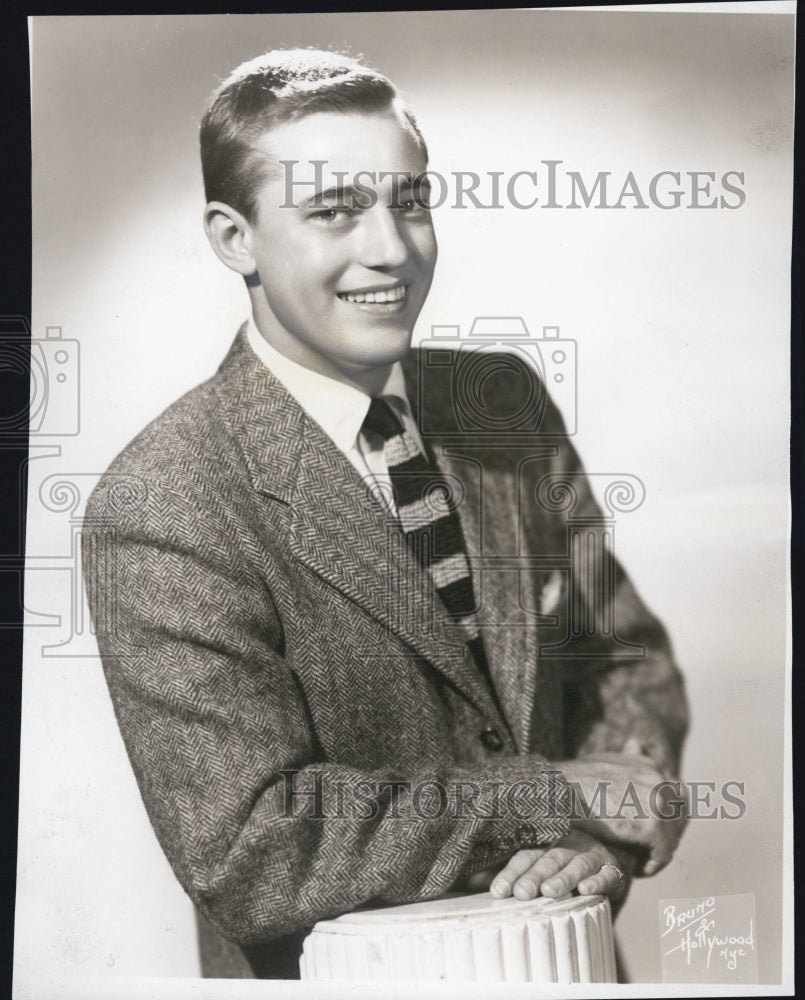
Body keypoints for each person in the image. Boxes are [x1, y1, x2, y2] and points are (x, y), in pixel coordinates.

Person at [82, 48, 688, 980]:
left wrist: (602, 832)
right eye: (333, 211)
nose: (392, 250)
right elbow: (252, 849)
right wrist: (548, 795)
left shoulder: (500, 398)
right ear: (233, 237)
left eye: (409, 201)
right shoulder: (164, 499)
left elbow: (618, 651)